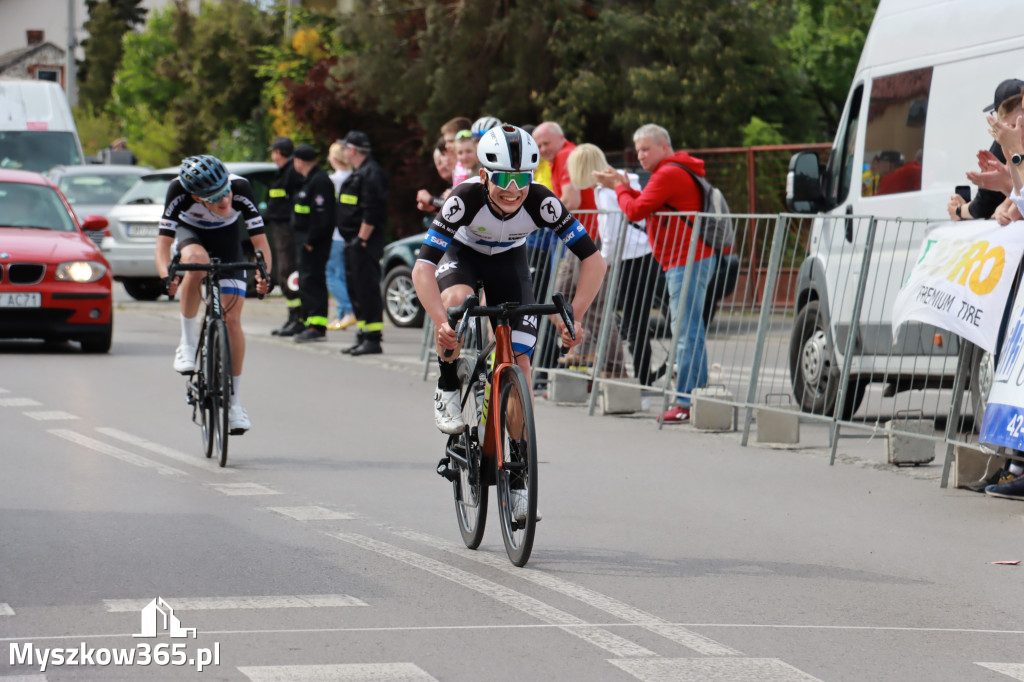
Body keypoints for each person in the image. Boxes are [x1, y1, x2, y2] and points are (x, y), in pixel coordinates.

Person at [411, 124, 606, 521]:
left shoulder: (541, 201)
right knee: (456, 303)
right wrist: (439, 321)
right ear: (484, 175)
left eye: (521, 178)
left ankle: (517, 479)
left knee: (519, 364)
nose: (512, 189)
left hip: (509, 264)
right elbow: (422, 268)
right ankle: (448, 383)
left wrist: (575, 316)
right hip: (462, 255)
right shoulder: (463, 199)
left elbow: (594, 260)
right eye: (502, 178)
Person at [593, 123, 716, 424]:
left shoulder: (669, 173)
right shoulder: (674, 171)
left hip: (685, 259)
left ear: (664, 146)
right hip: (687, 257)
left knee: (685, 332)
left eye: (646, 149)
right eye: (638, 151)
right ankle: (696, 395)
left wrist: (618, 187)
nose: (641, 156)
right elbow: (646, 201)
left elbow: (635, 210)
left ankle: (686, 400)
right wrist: (622, 185)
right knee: (691, 329)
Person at [154, 155, 272, 434]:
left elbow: (261, 243)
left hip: (226, 237)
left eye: (226, 191)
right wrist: (165, 277)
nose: (225, 200)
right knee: (195, 262)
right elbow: (162, 247)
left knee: (232, 321)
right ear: (196, 196)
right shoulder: (178, 191)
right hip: (190, 233)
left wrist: (265, 275)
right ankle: (187, 342)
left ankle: (234, 405)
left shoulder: (241, 188)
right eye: (216, 196)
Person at [572, 143, 664, 385]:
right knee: (639, 319)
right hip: (646, 253)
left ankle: (643, 378)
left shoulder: (603, 193)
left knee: (634, 322)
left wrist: (602, 264)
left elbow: (610, 235)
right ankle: (646, 374)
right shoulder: (624, 181)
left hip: (629, 257)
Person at [336, 130, 388, 356]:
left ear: (353, 150)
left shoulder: (371, 173)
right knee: (356, 290)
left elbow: (372, 211)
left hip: (364, 243)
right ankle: (363, 334)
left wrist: (361, 239)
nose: (344, 151)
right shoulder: (360, 172)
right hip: (354, 242)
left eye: (346, 148)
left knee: (366, 289)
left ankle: (373, 339)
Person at [290, 144, 336, 343]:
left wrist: (311, 240)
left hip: (314, 244)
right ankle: (310, 323)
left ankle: (317, 326)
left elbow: (323, 216)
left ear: (299, 161)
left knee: (314, 282)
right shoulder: (308, 181)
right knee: (307, 281)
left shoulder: (320, 181)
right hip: (305, 242)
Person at [266, 136, 306, 336]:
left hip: (287, 230)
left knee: (289, 273)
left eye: (274, 151)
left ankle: (298, 317)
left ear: (279, 153)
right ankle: (293, 315)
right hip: (279, 228)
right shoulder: (282, 173)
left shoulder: (292, 174)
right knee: (284, 273)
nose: (272, 155)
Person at [326, 141, 356, 331]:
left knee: (329, 273)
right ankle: (342, 316)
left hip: (335, 233)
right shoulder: (354, 177)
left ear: (334, 158)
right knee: (343, 274)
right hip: (350, 232)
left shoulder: (332, 180)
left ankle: (349, 310)